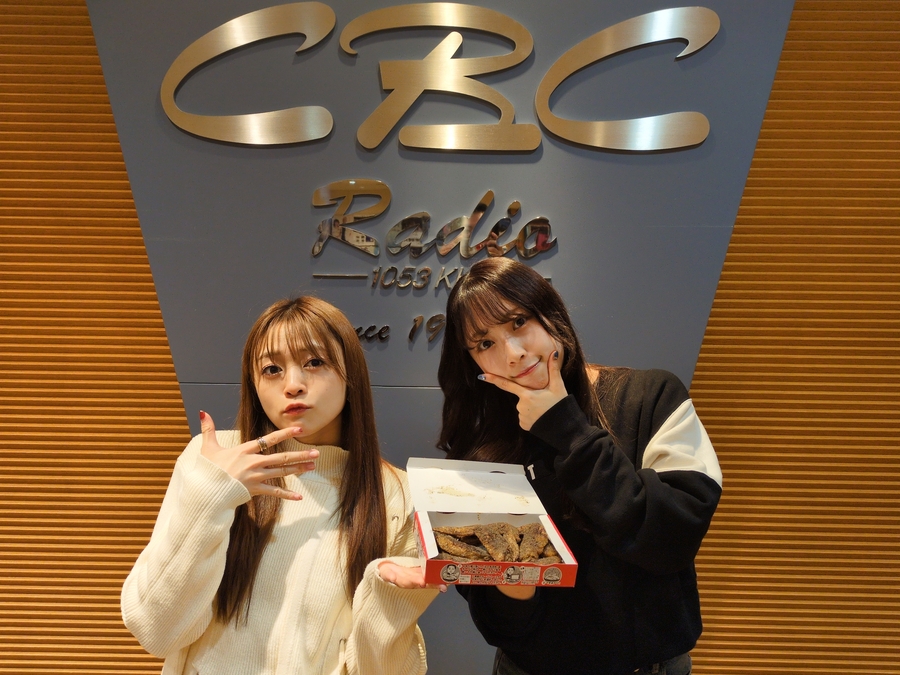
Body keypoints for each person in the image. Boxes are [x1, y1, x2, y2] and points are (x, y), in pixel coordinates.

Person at [122, 296, 440, 675]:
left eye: (315, 362)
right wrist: (213, 495)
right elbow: (155, 631)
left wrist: (391, 601)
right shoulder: (212, 460)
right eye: (272, 369)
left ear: (350, 372)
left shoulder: (396, 494)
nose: (292, 385)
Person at [437, 258, 722, 675]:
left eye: (518, 322)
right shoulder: (480, 448)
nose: (513, 353)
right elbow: (497, 619)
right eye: (484, 344)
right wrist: (510, 579)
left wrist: (566, 429)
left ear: (549, 313)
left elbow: (672, 537)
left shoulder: (651, 396)